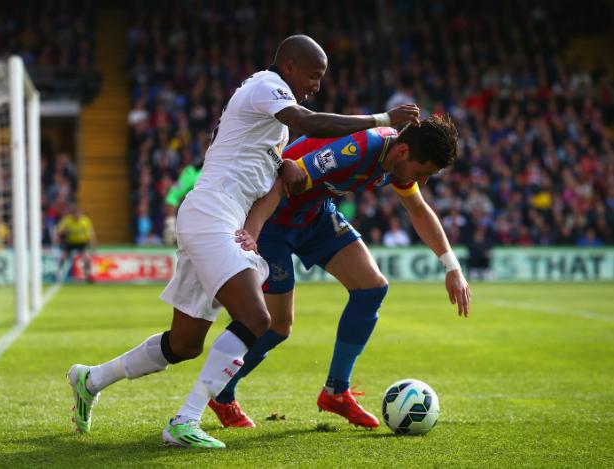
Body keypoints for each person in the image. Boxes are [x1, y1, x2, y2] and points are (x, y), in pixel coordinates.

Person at [67, 34, 420, 449]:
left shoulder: (269, 117)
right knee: (257, 318)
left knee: (184, 344)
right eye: (313, 76)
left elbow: (249, 156)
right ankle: (185, 420)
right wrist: (382, 119)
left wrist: (282, 167)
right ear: (289, 66)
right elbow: (310, 122)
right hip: (212, 214)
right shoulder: (266, 86)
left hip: (212, 216)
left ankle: (91, 379)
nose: (316, 86)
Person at [208, 115, 470, 429]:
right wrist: (252, 232)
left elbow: (418, 209)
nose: (422, 182)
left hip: (315, 215)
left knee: (371, 288)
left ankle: (336, 391)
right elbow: (281, 183)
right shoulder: (358, 149)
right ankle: (221, 392)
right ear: (403, 152)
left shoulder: (397, 161)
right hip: (273, 219)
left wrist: (452, 266)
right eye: (422, 173)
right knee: (277, 325)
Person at [55, 204, 97, 281]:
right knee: (63, 257)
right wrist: (64, 232)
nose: (78, 216)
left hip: (82, 243)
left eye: (79, 214)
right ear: (73, 214)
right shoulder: (67, 220)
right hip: (70, 242)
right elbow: (59, 232)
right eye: (76, 214)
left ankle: (88, 274)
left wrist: (92, 246)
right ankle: (58, 272)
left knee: (86, 258)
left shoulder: (85, 221)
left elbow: (91, 234)